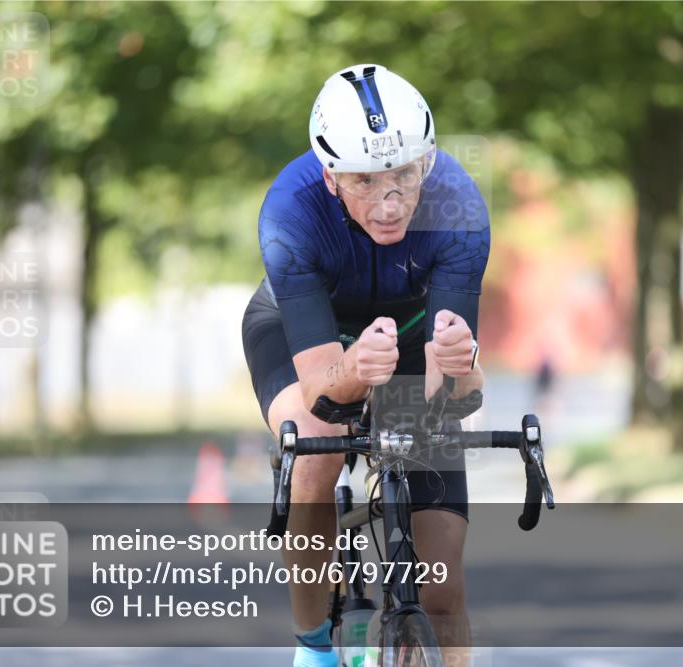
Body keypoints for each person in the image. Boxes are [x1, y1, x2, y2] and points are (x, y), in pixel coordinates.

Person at [241, 64, 489, 666]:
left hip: (407, 338)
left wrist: (462, 367)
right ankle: (314, 647)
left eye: (405, 174)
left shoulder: (458, 205)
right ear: (331, 178)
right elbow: (325, 392)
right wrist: (354, 370)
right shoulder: (290, 212)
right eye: (365, 181)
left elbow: (453, 395)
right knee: (316, 442)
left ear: (427, 162)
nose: (390, 202)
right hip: (309, 335)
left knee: (442, 590)